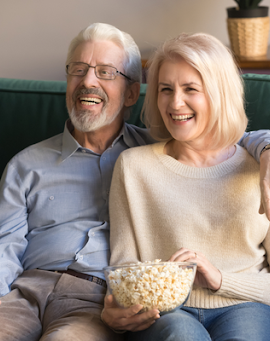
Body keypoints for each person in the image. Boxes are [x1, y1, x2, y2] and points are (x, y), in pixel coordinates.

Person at [0, 23, 269, 340]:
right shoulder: (29, 164)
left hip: (94, 297)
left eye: (105, 72)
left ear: (132, 93)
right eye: (78, 69)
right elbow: (4, 249)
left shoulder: (238, 158)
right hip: (27, 291)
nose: (88, 81)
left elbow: (222, 137)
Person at [105, 33, 270, 341]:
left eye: (190, 89)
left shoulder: (260, 169)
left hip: (245, 304)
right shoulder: (133, 167)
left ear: (219, 94)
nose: (175, 103)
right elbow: (123, 271)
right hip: (166, 313)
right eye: (165, 89)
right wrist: (123, 311)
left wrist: (220, 280)